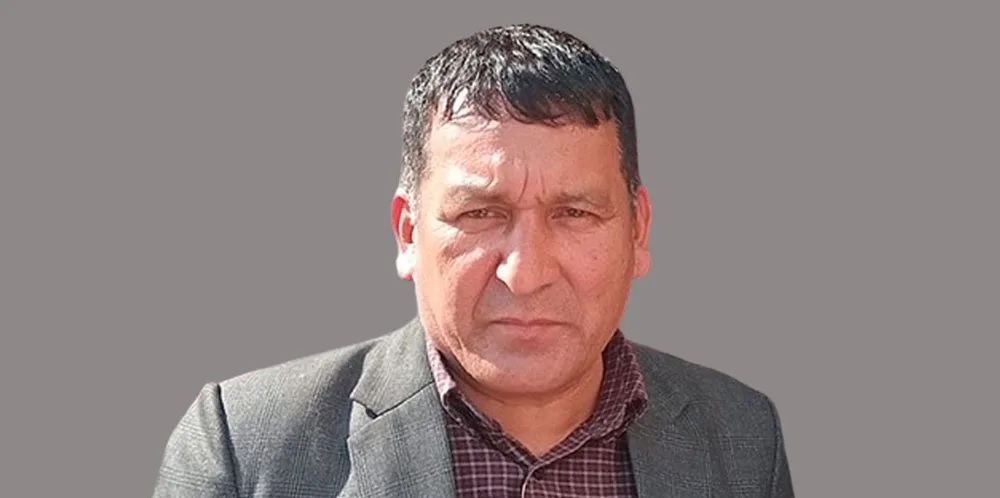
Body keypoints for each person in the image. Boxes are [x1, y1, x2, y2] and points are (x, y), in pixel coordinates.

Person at [153, 23, 794, 498]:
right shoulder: (249, 448)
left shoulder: (740, 435)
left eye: (574, 213)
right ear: (408, 233)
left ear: (638, 230)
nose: (527, 272)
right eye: (481, 214)